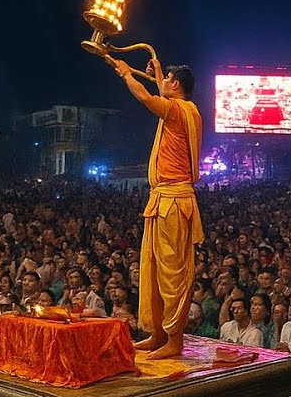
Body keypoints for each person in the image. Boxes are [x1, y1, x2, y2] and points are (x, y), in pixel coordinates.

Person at [106, 56, 202, 360]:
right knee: (154, 268)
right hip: (162, 200)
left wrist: (125, 73)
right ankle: (158, 333)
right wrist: (160, 70)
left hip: (174, 200)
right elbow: (159, 92)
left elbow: (146, 97)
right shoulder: (180, 110)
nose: (162, 81)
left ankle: (174, 338)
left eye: (167, 78)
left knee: (172, 272)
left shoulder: (180, 110)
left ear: (175, 84)